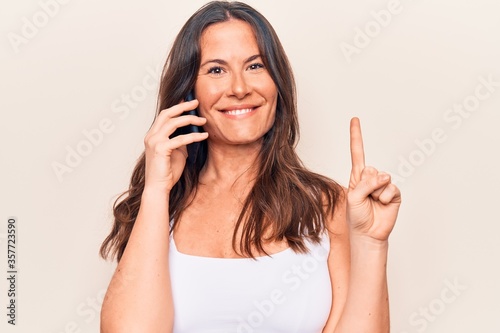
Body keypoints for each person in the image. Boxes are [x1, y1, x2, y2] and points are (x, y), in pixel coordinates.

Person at [99, 1, 401, 332]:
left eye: (255, 66)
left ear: (277, 83)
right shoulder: (161, 207)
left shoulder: (327, 205)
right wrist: (157, 190)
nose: (240, 88)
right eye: (216, 70)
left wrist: (372, 243)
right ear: (188, 93)